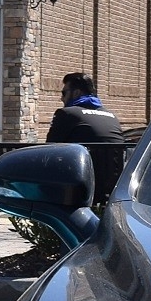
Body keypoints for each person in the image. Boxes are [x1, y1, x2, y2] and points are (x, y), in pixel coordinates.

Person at [46, 71, 127, 205]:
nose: (62, 99)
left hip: (80, 188)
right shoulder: (111, 115)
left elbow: (49, 151)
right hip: (113, 188)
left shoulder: (67, 113)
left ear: (76, 93)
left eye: (64, 93)